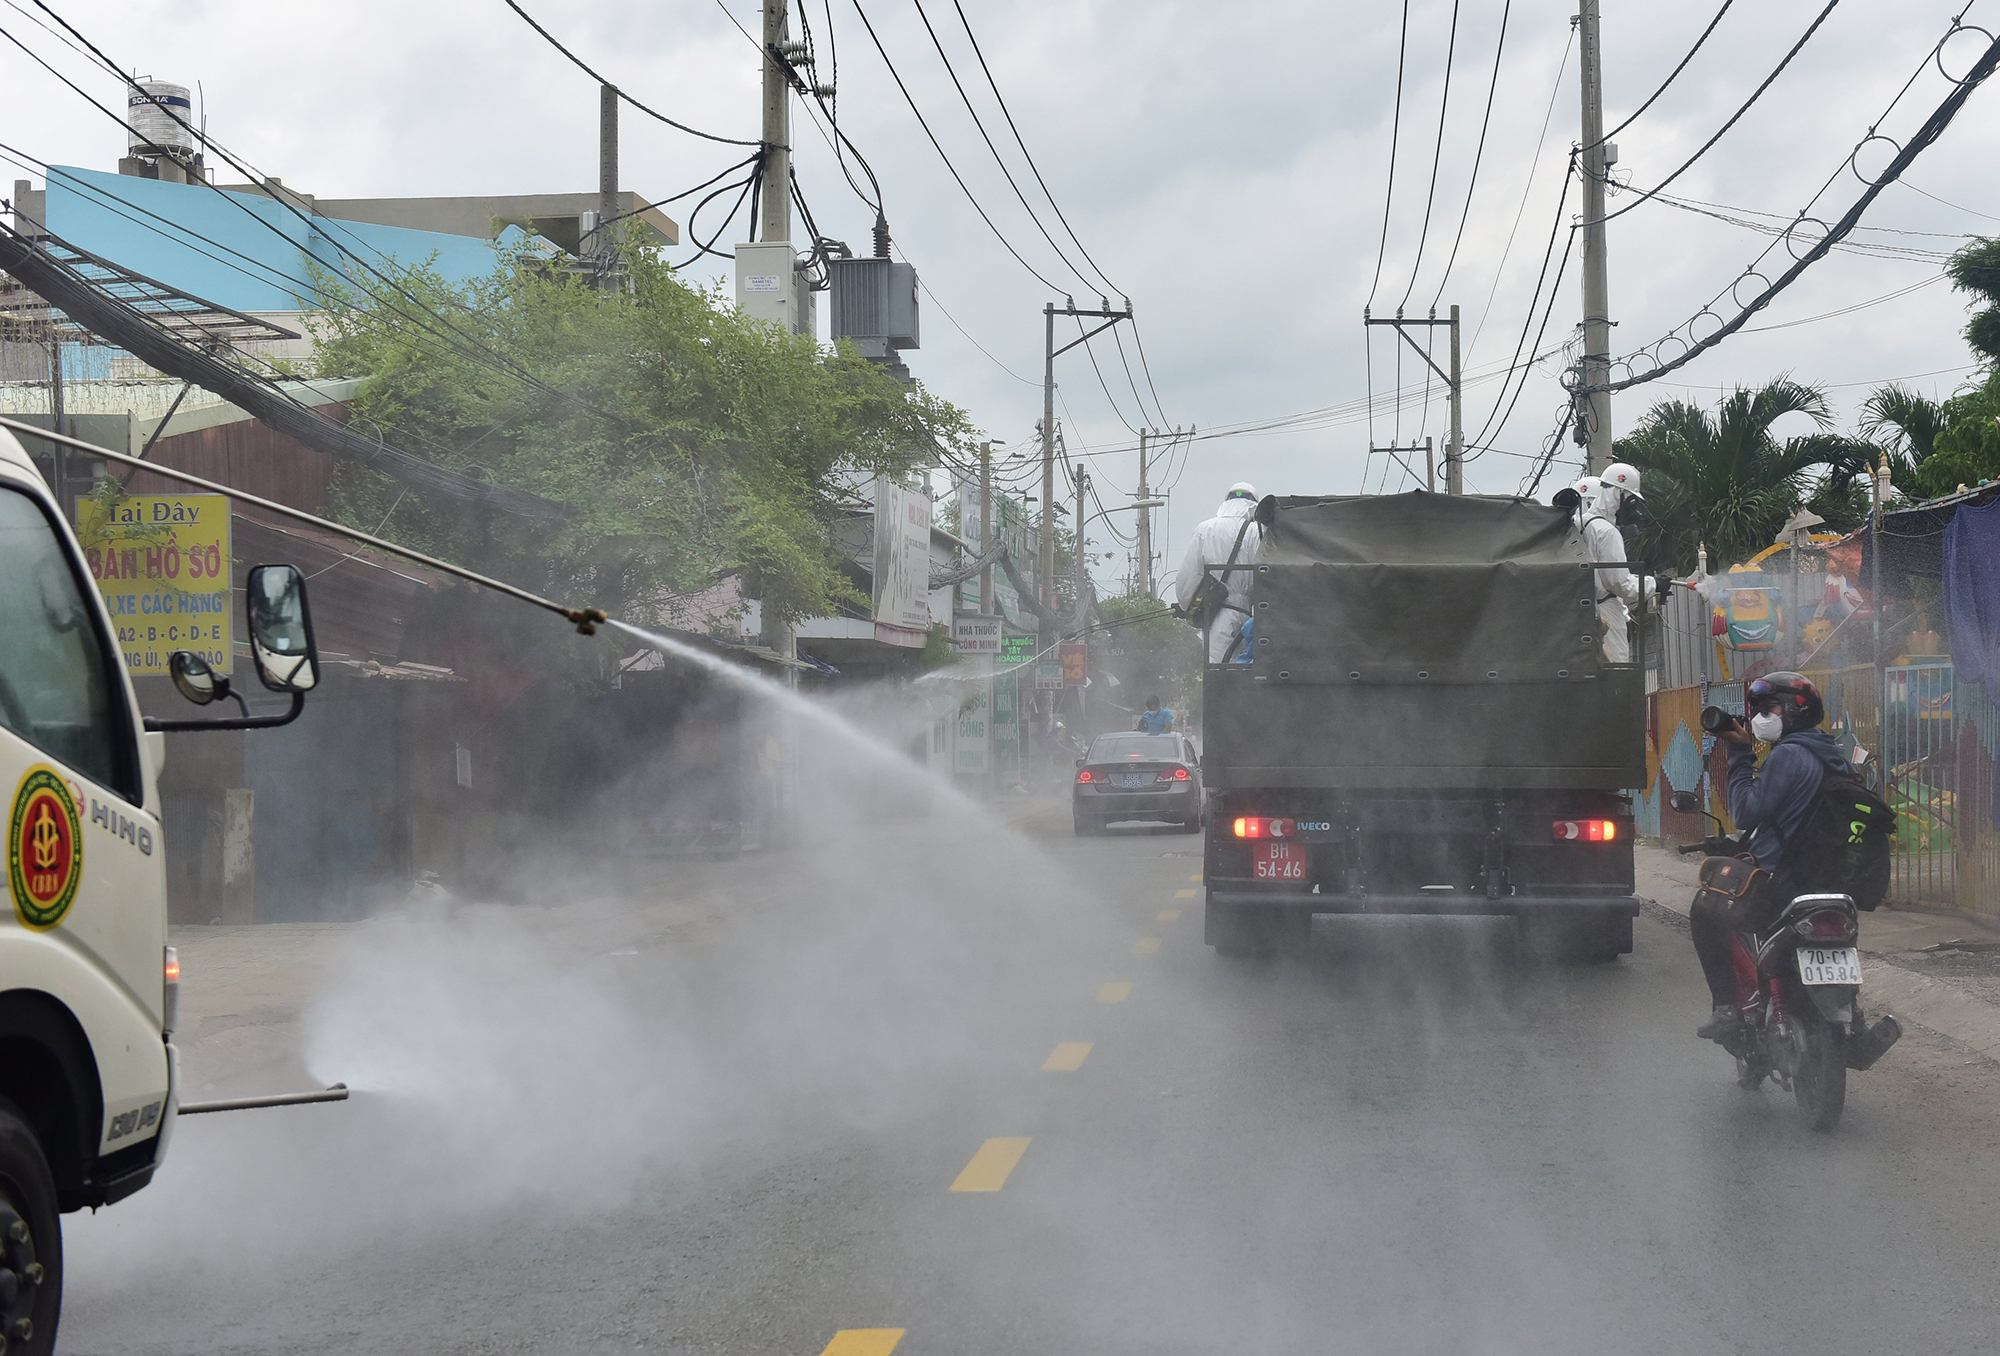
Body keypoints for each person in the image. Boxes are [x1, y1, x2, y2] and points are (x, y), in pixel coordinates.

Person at [1691, 672, 1856, 1040]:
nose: (1762, 717)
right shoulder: (1832, 754)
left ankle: (1727, 1009)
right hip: (1828, 881)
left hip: (1780, 882)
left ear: (1797, 711)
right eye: (1758, 710)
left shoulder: (1789, 754)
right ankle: (1849, 1017)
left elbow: (1747, 813)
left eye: (1771, 708)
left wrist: (1738, 751)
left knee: (1705, 908)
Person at [1175, 482, 1262, 664]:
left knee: (1219, 679)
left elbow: (1186, 581)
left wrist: (1185, 607)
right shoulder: (1258, 533)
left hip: (1216, 617)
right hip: (1250, 622)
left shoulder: (1205, 530)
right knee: (1246, 676)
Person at [1579, 462, 1658, 663]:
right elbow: (1621, 584)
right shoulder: (1606, 532)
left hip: (1581, 610)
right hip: (1606, 611)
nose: (1634, 509)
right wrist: (1654, 584)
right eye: (1632, 502)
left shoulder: (1582, 523)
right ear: (1620, 496)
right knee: (1616, 673)